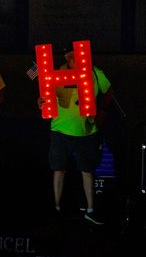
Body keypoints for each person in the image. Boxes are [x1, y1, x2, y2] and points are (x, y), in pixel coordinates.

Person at [37, 48, 112, 225]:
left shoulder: (94, 72)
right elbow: (45, 99)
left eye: (79, 56)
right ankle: (55, 208)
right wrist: (41, 102)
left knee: (87, 170)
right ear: (67, 58)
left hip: (86, 132)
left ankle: (91, 210)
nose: (75, 60)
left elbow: (109, 91)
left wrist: (103, 111)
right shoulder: (56, 73)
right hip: (60, 131)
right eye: (72, 57)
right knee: (58, 169)